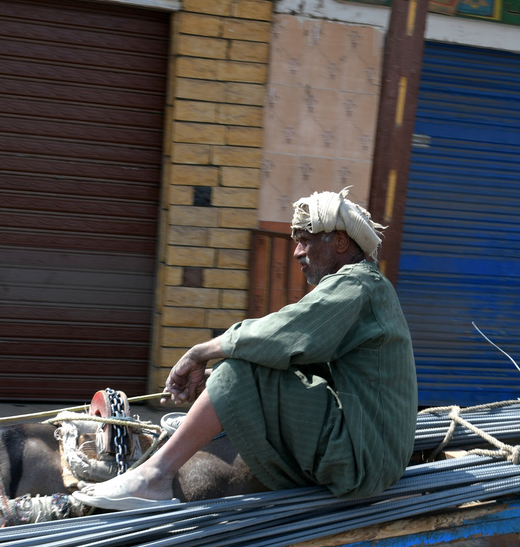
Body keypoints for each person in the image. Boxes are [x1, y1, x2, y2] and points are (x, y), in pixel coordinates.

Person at [86, 188, 417, 508]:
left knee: (237, 369)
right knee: (235, 372)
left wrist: (201, 352)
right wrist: (216, 382)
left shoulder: (357, 283)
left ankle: (154, 475)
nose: (297, 253)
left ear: (341, 242)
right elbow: (305, 358)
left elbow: (286, 333)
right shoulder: (366, 286)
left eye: (305, 241)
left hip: (366, 459)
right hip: (373, 453)